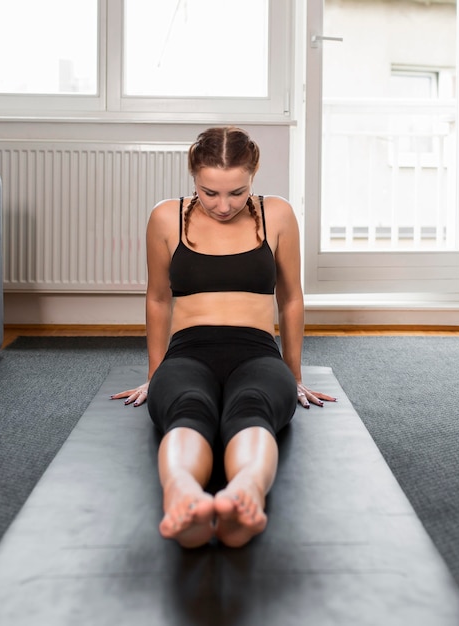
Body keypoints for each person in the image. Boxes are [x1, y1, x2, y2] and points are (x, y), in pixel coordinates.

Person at [111, 126, 336, 549]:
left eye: (237, 192)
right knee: (185, 409)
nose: (224, 205)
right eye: (209, 192)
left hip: (257, 353)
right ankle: (182, 493)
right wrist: (155, 374)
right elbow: (158, 299)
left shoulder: (279, 215)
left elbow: (290, 299)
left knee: (254, 410)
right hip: (188, 352)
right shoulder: (165, 217)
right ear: (193, 177)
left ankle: (245, 494)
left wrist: (294, 375)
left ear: (253, 175)